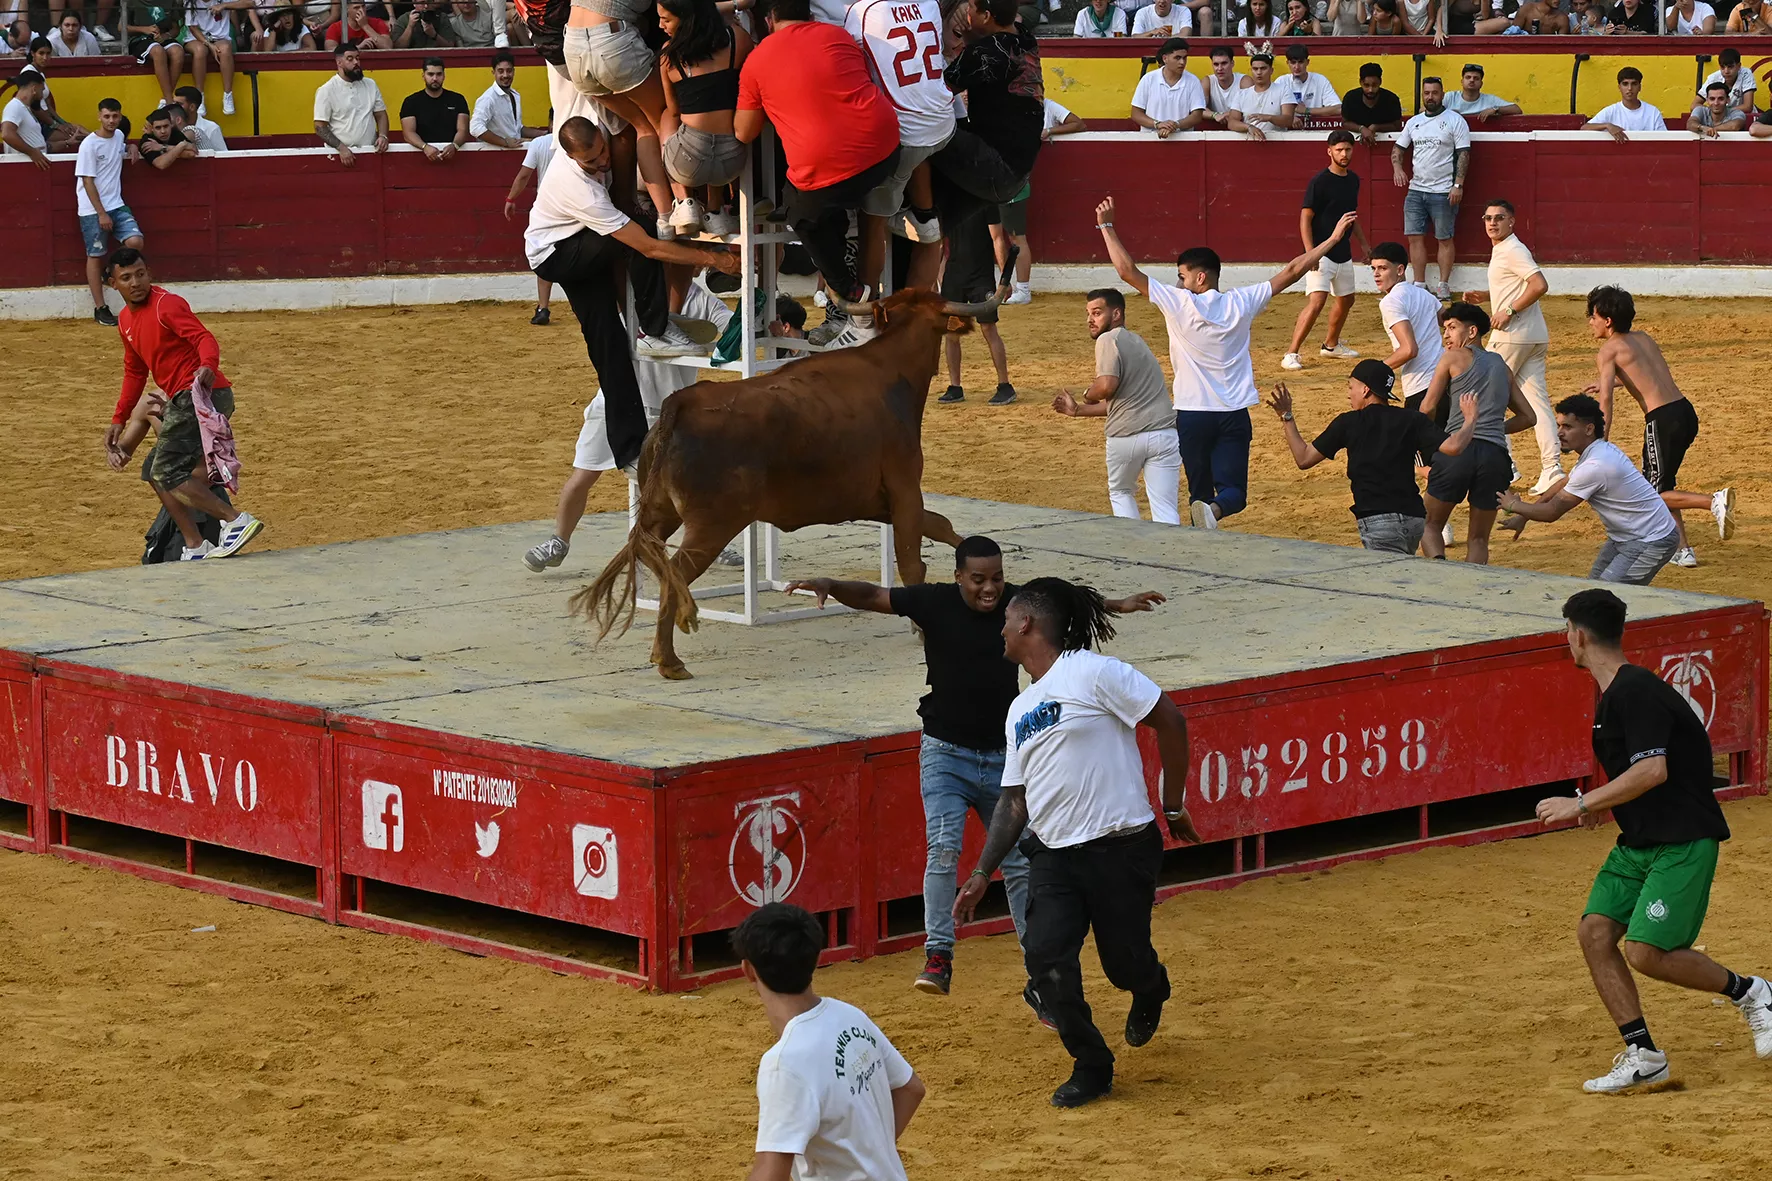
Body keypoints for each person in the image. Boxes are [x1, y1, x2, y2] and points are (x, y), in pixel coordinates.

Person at [784, 540, 1164, 1002]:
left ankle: (1040, 977)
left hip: (1006, 759)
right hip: (945, 752)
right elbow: (873, 595)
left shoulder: (1018, 606)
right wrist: (830, 584)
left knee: (1021, 863)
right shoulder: (932, 601)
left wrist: (1117, 605)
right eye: (979, 579)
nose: (990, 589)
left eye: (997, 578)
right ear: (959, 576)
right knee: (943, 850)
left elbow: (1062, 602)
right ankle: (938, 954)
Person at [953, 577, 1200, 1108]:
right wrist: (981, 873)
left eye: (1006, 620)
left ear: (1026, 624)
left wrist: (1173, 804)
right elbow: (1014, 803)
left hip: (1120, 847)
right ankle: (1092, 1064)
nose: (999, 630)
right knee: (1046, 964)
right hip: (1053, 857)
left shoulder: (1094, 672)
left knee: (1123, 965)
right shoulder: (1020, 709)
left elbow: (1171, 720)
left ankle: (1149, 985)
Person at [1532, 588, 1772, 1094]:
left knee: (1646, 951)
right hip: (1640, 840)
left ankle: (1752, 992)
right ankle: (1643, 1054)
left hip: (1682, 840)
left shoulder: (1635, 690)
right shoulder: (1616, 693)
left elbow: (1652, 769)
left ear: (1577, 636)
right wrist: (1602, 807)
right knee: (1595, 934)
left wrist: (1581, 804)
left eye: (1565, 631)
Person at [1098, 195, 1357, 530]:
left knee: (1198, 494)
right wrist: (1333, 240)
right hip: (1233, 413)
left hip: (1191, 414)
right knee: (1233, 493)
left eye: (1182, 275)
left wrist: (1106, 226)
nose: (1178, 283)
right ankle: (1216, 513)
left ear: (1200, 278)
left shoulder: (1178, 303)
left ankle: (1204, 525)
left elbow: (1126, 270)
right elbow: (1293, 271)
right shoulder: (1241, 301)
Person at [525, 116, 739, 472]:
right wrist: (714, 259)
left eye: (601, 153)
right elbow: (650, 249)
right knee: (639, 235)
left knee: (607, 343)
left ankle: (629, 452)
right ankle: (654, 329)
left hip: (573, 242)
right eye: (591, 161)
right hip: (557, 255)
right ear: (572, 157)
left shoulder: (598, 143)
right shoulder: (579, 188)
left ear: (601, 138)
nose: (602, 163)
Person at [523, 276, 732, 571]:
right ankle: (559, 541)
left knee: (687, 481)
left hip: (669, 411)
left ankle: (708, 541)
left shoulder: (704, 302)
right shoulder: (633, 294)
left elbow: (734, 327)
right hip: (615, 401)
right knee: (583, 474)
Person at [735, 0, 900, 349]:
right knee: (822, 207)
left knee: (801, 214)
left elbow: (744, 132)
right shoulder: (837, 35)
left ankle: (849, 292)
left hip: (827, 169)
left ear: (769, 19)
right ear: (809, 15)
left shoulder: (757, 58)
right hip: (886, 148)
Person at [734, 902, 925, 1181]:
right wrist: (866, 1159)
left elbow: (770, 1173)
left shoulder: (784, 1063)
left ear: (748, 971)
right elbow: (911, 1089)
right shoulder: (849, 1016)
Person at [103, 248, 265, 562]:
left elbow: (203, 337)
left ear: (149, 272)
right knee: (156, 469)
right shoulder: (125, 320)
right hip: (180, 400)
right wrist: (118, 418)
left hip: (200, 393)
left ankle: (235, 520)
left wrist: (207, 364)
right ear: (113, 284)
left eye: (140, 274)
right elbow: (135, 371)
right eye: (126, 278)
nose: (136, 282)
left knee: (166, 470)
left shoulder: (167, 305)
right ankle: (195, 545)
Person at [928, 0, 1043, 380]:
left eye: (972, 11)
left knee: (923, 128)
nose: (967, 18)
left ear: (987, 17)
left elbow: (941, 86)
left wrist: (958, 36)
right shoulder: (1024, 40)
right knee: (931, 226)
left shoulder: (985, 50)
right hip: (1010, 174)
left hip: (992, 165)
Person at [1584, 285, 1734, 567]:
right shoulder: (1643, 338)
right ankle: (1683, 550)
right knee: (1663, 485)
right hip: (1685, 411)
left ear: (1608, 320)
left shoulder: (1608, 351)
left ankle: (1713, 501)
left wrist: (1599, 442)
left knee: (1653, 493)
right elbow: (1647, 372)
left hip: (1661, 421)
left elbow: (1605, 400)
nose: (1590, 322)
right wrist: (1618, 380)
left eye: (1593, 316)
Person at [1267, 361, 1479, 555]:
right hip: (1414, 519)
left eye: (1351, 387)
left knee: (1389, 585)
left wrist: (1287, 417)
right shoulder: (1411, 419)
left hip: (1378, 521)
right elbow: (1454, 447)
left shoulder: (1348, 423)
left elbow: (1303, 458)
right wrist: (1470, 420)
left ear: (1365, 389)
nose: (1349, 394)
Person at [1497, 396, 1681, 584]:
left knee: (1607, 596)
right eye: (1559, 426)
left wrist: (1514, 505)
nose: (1559, 433)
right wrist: (1524, 516)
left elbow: (1552, 512)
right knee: (1594, 591)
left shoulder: (1595, 466)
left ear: (1589, 429)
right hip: (1626, 537)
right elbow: (1561, 485)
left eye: (1567, 427)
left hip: (1652, 541)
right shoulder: (1597, 451)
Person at [843, 0, 952, 295]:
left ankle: (864, 313)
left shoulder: (863, 11)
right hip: (944, 120)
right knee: (917, 153)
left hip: (906, 133)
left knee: (871, 222)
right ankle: (924, 215)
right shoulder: (929, 4)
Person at [1418, 302, 1536, 563]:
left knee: (1430, 525)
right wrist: (1494, 428)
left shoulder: (1452, 358)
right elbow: (1529, 417)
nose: (1446, 335)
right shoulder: (1502, 367)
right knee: (1479, 539)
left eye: (1452, 328)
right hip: (1494, 455)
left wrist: (1426, 442)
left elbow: (1427, 407)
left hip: (1457, 450)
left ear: (1472, 332)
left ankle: (1439, 569)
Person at [1052, 289, 1182, 525]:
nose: (1090, 320)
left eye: (1097, 313)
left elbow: (1107, 386)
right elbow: (1122, 403)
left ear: (1116, 314)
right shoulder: (1137, 342)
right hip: (1164, 434)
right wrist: (1078, 410)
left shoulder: (1107, 339)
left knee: (1121, 492)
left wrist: (1087, 395)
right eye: (1088, 314)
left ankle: (1133, 550)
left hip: (1126, 437)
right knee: (1165, 508)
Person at [1463, 198, 1559, 492]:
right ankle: (1552, 467)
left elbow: (1539, 285)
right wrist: (1488, 297)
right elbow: (1518, 287)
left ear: (1511, 221)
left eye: (1499, 218)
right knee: (1535, 403)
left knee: (1484, 397)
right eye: (1488, 218)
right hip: (1532, 336)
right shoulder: (1507, 249)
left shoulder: (1512, 249)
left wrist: (1509, 311)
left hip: (1511, 337)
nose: (1492, 223)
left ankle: (1504, 466)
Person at [656, 0, 750, 236]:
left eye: (666, 19)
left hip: (687, 162)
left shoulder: (669, 57)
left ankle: (683, 201)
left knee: (667, 115)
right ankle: (715, 211)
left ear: (687, 18)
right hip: (732, 162)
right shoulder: (737, 39)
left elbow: (675, 110)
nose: (660, 25)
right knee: (715, 129)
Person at [1282, 130, 1371, 371]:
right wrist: (1311, 253)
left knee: (1347, 300)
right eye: (1339, 150)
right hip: (1321, 252)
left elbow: (1353, 217)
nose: (1344, 154)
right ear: (1329, 151)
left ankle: (1330, 345)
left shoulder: (1353, 180)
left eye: (1348, 149)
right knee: (1317, 301)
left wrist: (1364, 244)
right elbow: (1305, 218)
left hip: (1343, 252)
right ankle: (1291, 352)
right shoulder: (1319, 181)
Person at [995, 98, 1083, 305]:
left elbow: (1079, 123)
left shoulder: (1041, 107)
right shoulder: (1001, 108)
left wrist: (1049, 131)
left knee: (1015, 237)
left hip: (1012, 181)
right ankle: (1005, 286)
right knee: (997, 235)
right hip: (996, 181)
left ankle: (1023, 289)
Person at [1392, 76, 1469, 300]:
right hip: (1416, 189)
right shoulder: (1414, 122)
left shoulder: (1455, 120)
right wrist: (1397, 168)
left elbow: (1464, 154)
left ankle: (1443, 284)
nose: (1430, 97)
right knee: (1414, 237)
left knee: (1444, 238)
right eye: (1427, 93)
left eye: (1435, 93)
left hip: (1444, 190)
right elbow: (1398, 149)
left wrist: (1458, 185)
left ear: (1442, 94)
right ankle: (1419, 283)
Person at [76, 98, 143, 328]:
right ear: (99, 116)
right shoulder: (89, 145)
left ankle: (110, 271)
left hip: (116, 203)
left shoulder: (119, 137)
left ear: (120, 117)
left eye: (115, 116)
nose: (111, 121)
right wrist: (102, 213)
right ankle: (100, 308)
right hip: (93, 209)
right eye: (107, 116)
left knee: (135, 241)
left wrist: (132, 146)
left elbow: (122, 147)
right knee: (95, 254)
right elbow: (87, 182)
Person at [505, 130, 557, 324]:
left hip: (548, 206)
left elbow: (524, 176)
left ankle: (543, 307)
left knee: (544, 254)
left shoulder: (540, 143)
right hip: (580, 204)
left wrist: (511, 198)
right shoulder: (586, 137)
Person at [314, 42, 389, 167]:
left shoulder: (370, 84)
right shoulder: (326, 90)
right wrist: (341, 148)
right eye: (350, 59)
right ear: (339, 63)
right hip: (338, 155)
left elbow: (381, 114)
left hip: (370, 151)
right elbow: (319, 126)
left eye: (357, 58)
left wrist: (383, 136)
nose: (356, 62)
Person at [1130, 37, 1205, 139]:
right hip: (1149, 139)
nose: (1182, 62)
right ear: (1165, 58)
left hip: (1183, 140)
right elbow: (1136, 113)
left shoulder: (1193, 81)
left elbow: (1197, 116)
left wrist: (1175, 125)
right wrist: (1157, 124)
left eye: (1184, 58)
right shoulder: (1148, 79)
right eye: (1177, 58)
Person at [471, 49, 547, 148]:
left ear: (514, 72)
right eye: (501, 71)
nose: (505, 75)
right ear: (493, 72)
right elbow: (475, 128)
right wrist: (505, 142)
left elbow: (516, 129)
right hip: (495, 153)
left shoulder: (515, 95)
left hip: (513, 152)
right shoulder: (488, 98)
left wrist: (543, 134)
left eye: (509, 71)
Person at [400, 56, 471, 161]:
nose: (435, 78)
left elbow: (463, 130)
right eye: (430, 74)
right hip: (420, 159)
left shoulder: (458, 100)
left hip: (454, 159)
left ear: (444, 76)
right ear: (423, 76)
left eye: (439, 74)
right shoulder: (411, 102)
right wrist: (425, 147)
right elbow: (408, 133)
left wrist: (455, 145)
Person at [1223, 45, 1295, 141]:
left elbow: (1288, 120)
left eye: (1263, 68)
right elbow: (1232, 122)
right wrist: (1248, 127)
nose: (1259, 72)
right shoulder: (1241, 94)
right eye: (1255, 69)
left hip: (1278, 143)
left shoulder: (1284, 90)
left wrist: (1269, 118)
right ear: (1251, 70)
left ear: (1271, 70)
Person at [180, 0, 238, 116]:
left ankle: (228, 94)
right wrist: (209, 45)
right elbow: (193, 28)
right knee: (200, 51)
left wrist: (224, 5)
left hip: (220, 38)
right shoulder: (190, 2)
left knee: (225, 49)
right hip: (196, 39)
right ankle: (199, 95)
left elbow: (250, 3)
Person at [1585, 67, 1665, 143]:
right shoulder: (1611, 111)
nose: (1629, 88)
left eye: (1634, 84)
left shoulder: (1653, 112)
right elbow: (1584, 128)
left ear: (1639, 87)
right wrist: (1607, 125)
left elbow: (1664, 139)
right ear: (1619, 87)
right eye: (1625, 84)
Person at [1340, 61, 1403, 146]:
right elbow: (1345, 123)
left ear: (1380, 82)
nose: (1370, 90)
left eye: (1374, 85)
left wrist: (1376, 127)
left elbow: (1397, 125)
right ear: (1361, 82)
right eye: (1366, 85)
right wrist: (1361, 129)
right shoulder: (1350, 98)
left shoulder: (1391, 99)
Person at [1280, 44, 1340, 126]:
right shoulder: (1282, 81)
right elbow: (1271, 109)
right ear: (1287, 63)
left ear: (1307, 62)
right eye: (1293, 63)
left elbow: (1338, 108)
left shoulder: (1320, 80)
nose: (1296, 67)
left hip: (1315, 130)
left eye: (1300, 62)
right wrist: (1289, 118)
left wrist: (1306, 110)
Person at [1, 68, 49, 168]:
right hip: (24, 166)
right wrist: (32, 152)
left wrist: (67, 143)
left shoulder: (24, 108)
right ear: (34, 89)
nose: (42, 95)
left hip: (33, 164)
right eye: (42, 89)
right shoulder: (15, 106)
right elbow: (6, 134)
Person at [1443, 63, 1520, 121]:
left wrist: (1495, 109)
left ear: (1481, 83)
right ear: (1462, 81)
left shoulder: (1490, 100)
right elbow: (1432, 111)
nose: (1472, 80)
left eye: (1476, 78)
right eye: (1468, 77)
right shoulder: (1450, 97)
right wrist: (1447, 113)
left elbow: (1517, 110)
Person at [173, 84, 227, 152]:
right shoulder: (171, 126)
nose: (174, 107)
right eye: (174, 103)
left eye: (179, 104)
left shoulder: (211, 128)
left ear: (192, 107)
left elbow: (223, 155)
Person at [324, 0, 391, 47]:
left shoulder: (377, 23)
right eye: (356, 8)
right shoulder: (335, 27)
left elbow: (387, 46)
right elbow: (330, 50)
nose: (361, 10)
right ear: (346, 9)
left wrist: (365, 26)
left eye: (363, 6)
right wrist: (357, 48)